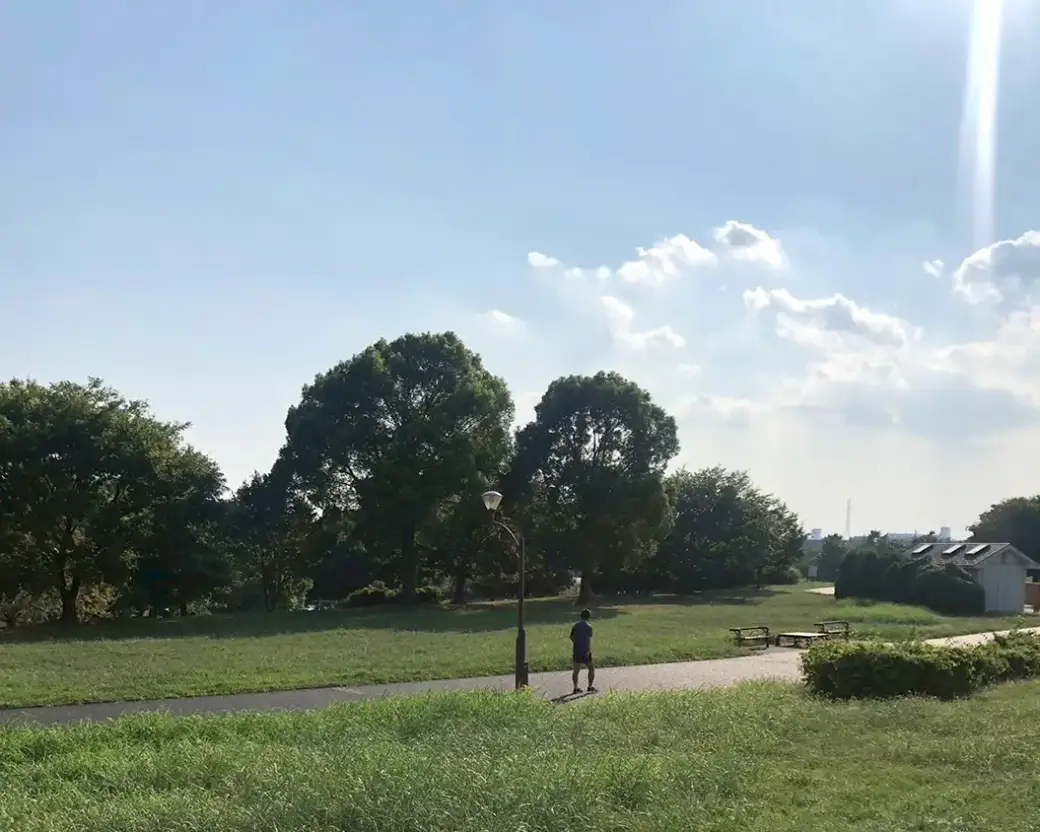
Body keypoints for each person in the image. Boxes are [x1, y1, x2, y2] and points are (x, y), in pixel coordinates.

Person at [570, 608, 596, 694]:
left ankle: (575, 687)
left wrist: (577, 643)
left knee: (576, 670)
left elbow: (571, 637)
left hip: (577, 650)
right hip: (585, 651)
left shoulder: (575, 626)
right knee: (591, 669)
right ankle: (590, 686)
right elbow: (588, 639)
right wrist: (588, 650)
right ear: (589, 617)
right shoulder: (589, 627)